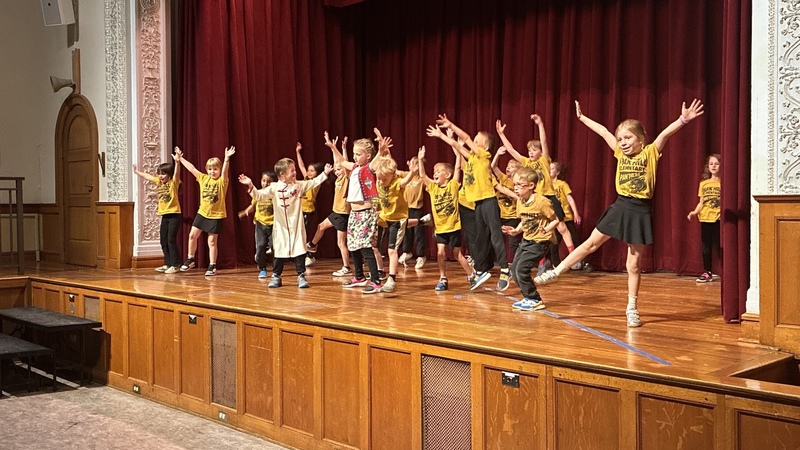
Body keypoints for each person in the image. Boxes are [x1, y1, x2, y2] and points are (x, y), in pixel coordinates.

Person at [535, 99, 705, 328]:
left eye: (628, 138)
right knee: (589, 245)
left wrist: (683, 119)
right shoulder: (619, 153)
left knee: (633, 265)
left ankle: (632, 307)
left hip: (640, 211)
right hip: (620, 206)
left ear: (641, 139)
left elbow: (665, 134)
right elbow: (603, 131)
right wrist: (582, 118)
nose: (623, 142)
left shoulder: (651, 153)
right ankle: (556, 272)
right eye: (621, 139)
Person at [427, 115, 509, 291]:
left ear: (485, 147)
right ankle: (480, 270)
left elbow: (464, 138)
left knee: (495, 235)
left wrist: (451, 125)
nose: (474, 142)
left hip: (489, 200)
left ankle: (504, 269)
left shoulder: (484, 156)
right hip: (478, 203)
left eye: (478, 141)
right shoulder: (472, 159)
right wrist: (442, 136)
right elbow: (458, 145)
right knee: (479, 240)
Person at [238, 158, 332, 288]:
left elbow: (313, 183)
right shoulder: (274, 188)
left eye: (294, 170)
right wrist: (250, 185)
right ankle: (276, 276)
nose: (295, 173)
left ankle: (301, 276)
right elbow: (259, 196)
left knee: (299, 250)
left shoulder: (299, 185)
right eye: (291, 171)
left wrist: (325, 174)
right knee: (280, 251)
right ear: (282, 175)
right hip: (281, 226)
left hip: (296, 225)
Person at [496, 115, 574, 273]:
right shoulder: (526, 163)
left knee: (561, 226)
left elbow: (544, 142)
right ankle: (542, 263)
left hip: (549, 197)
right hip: (537, 200)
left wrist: (540, 124)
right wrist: (502, 135)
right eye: (529, 150)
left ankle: (574, 256)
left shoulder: (544, 161)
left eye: (534, 150)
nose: (531, 152)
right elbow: (511, 150)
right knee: (538, 230)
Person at [327, 132, 384, 294]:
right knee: (353, 245)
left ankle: (375, 281)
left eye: (359, 154)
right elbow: (341, 161)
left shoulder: (369, 168)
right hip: (354, 213)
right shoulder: (354, 168)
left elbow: (377, 160)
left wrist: (381, 149)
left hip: (366, 213)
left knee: (366, 246)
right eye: (355, 154)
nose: (356, 157)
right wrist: (333, 147)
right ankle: (359, 276)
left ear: (368, 156)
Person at [501, 167, 559, 311]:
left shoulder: (542, 202)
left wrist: (546, 229)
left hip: (540, 241)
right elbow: (524, 221)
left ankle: (535, 299)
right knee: (514, 270)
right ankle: (528, 297)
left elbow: (555, 220)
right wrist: (516, 230)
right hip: (526, 240)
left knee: (521, 270)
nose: (516, 188)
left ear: (531, 186)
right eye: (514, 185)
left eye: (520, 185)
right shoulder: (521, 201)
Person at [418, 146, 474, 291]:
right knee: (440, 253)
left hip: (453, 226)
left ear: (447, 175)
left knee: (457, 254)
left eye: (438, 171)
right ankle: (443, 278)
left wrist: (456, 150)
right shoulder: (432, 188)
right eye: (434, 171)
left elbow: (457, 168)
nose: (435, 173)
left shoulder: (453, 186)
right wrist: (420, 160)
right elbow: (423, 176)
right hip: (440, 228)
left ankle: (471, 275)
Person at [175, 145, 235, 276]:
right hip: (202, 212)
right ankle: (190, 259)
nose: (212, 172)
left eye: (215, 169)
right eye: (210, 169)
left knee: (212, 241)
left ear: (219, 170)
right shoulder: (203, 178)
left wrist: (226, 159)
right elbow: (192, 169)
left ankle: (212, 265)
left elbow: (225, 172)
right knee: (192, 235)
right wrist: (181, 159)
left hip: (216, 215)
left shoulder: (222, 182)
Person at [306, 133, 352, 277]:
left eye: (340, 170)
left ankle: (346, 267)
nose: (337, 172)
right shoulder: (338, 179)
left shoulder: (346, 177)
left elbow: (344, 162)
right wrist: (333, 148)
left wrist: (338, 149)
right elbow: (337, 161)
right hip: (336, 212)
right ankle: (312, 246)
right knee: (321, 226)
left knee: (341, 243)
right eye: (336, 170)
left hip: (343, 214)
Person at [132, 152, 182, 274]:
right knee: (163, 240)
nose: (160, 176)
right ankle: (168, 263)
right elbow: (148, 176)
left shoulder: (173, 184)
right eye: (159, 173)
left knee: (171, 239)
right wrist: (137, 172)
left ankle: (176, 264)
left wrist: (177, 162)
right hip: (164, 215)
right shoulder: (158, 182)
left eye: (163, 174)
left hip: (174, 214)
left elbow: (177, 174)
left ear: (169, 174)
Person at [687, 154, 721, 283]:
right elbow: (701, 202)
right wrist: (695, 212)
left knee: (720, 246)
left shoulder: (724, 183)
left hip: (718, 218)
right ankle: (707, 272)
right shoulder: (704, 184)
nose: (713, 166)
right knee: (706, 247)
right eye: (711, 164)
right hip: (705, 218)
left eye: (716, 164)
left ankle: (725, 271)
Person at [238, 170, 276, 279]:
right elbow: (253, 205)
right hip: (260, 223)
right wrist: (246, 211)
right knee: (260, 246)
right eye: (263, 181)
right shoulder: (258, 193)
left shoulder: (274, 195)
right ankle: (262, 268)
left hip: (273, 224)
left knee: (275, 248)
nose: (265, 184)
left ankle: (275, 269)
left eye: (268, 182)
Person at [550, 161, 584, 270]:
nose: (549, 171)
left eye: (552, 169)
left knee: (574, 240)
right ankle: (556, 264)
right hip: (554, 218)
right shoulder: (546, 186)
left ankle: (579, 262)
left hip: (566, 217)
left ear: (558, 172)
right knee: (553, 243)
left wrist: (576, 213)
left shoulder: (562, 184)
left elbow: (569, 198)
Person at [491, 146, 522, 268]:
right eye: (508, 166)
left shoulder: (518, 183)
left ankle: (519, 262)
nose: (508, 168)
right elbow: (493, 167)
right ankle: (494, 261)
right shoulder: (503, 178)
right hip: (500, 214)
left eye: (512, 166)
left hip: (512, 215)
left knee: (513, 243)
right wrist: (498, 154)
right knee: (494, 239)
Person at [296, 142, 324, 267]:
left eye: (312, 171)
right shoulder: (306, 180)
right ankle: (304, 254)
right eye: (308, 170)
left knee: (304, 233)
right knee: (299, 233)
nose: (309, 172)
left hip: (308, 211)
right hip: (300, 210)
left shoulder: (315, 182)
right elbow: (301, 166)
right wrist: (297, 152)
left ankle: (308, 255)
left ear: (317, 173)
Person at [398, 155, 428, 269]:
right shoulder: (406, 175)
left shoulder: (421, 179)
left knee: (418, 233)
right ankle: (407, 251)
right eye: (412, 163)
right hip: (406, 209)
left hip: (417, 209)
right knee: (406, 232)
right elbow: (393, 170)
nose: (414, 166)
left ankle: (421, 256)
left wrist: (420, 164)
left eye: (417, 164)